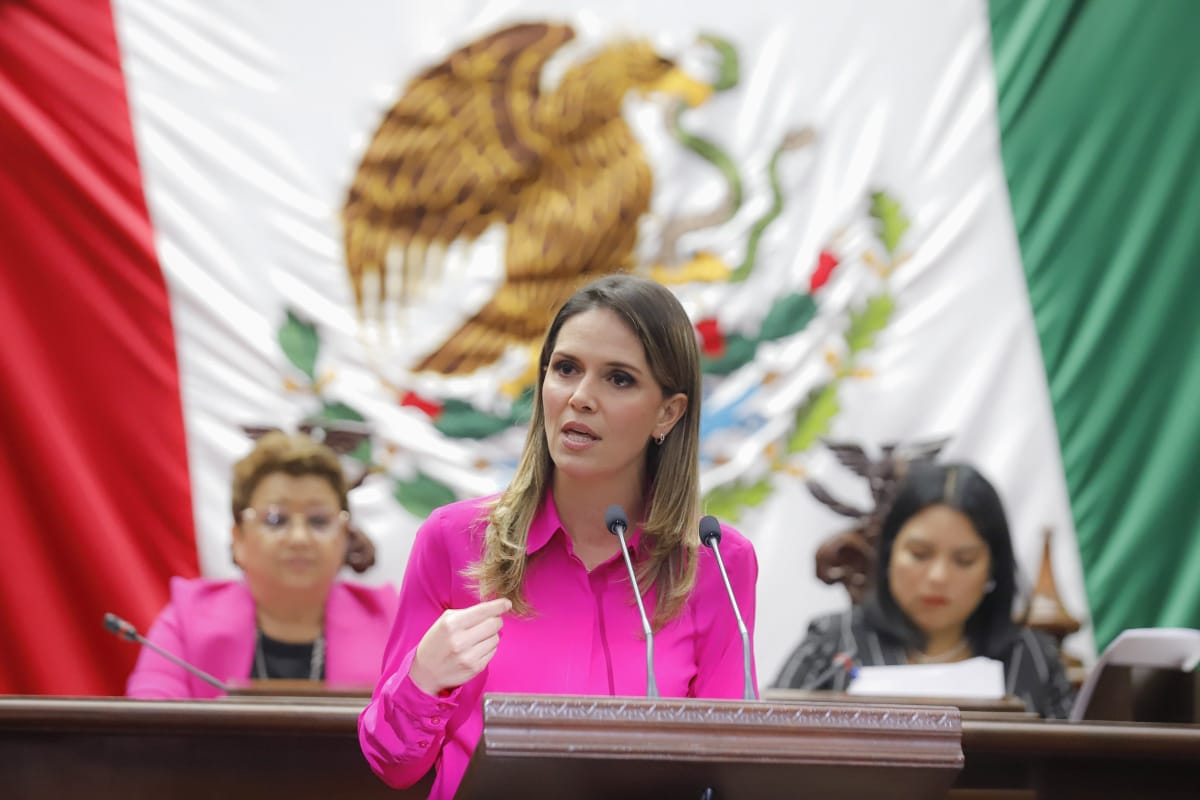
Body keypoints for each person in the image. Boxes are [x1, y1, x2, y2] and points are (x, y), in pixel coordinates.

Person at [359, 274, 758, 799]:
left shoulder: (717, 564)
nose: (580, 397)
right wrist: (422, 681)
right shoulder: (454, 540)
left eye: (618, 379)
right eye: (566, 369)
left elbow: (729, 770)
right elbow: (394, 766)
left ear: (668, 412)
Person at [774, 461, 1075, 718]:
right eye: (919, 554)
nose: (938, 577)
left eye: (964, 560)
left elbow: (1073, 775)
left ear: (993, 567)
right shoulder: (833, 643)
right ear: (890, 553)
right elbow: (764, 744)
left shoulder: (1033, 657)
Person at [126, 431, 398, 698]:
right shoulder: (186, 620)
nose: (299, 538)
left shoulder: (390, 620)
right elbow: (147, 732)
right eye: (276, 519)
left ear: (343, 536)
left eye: (318, 520)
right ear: (239, 538)